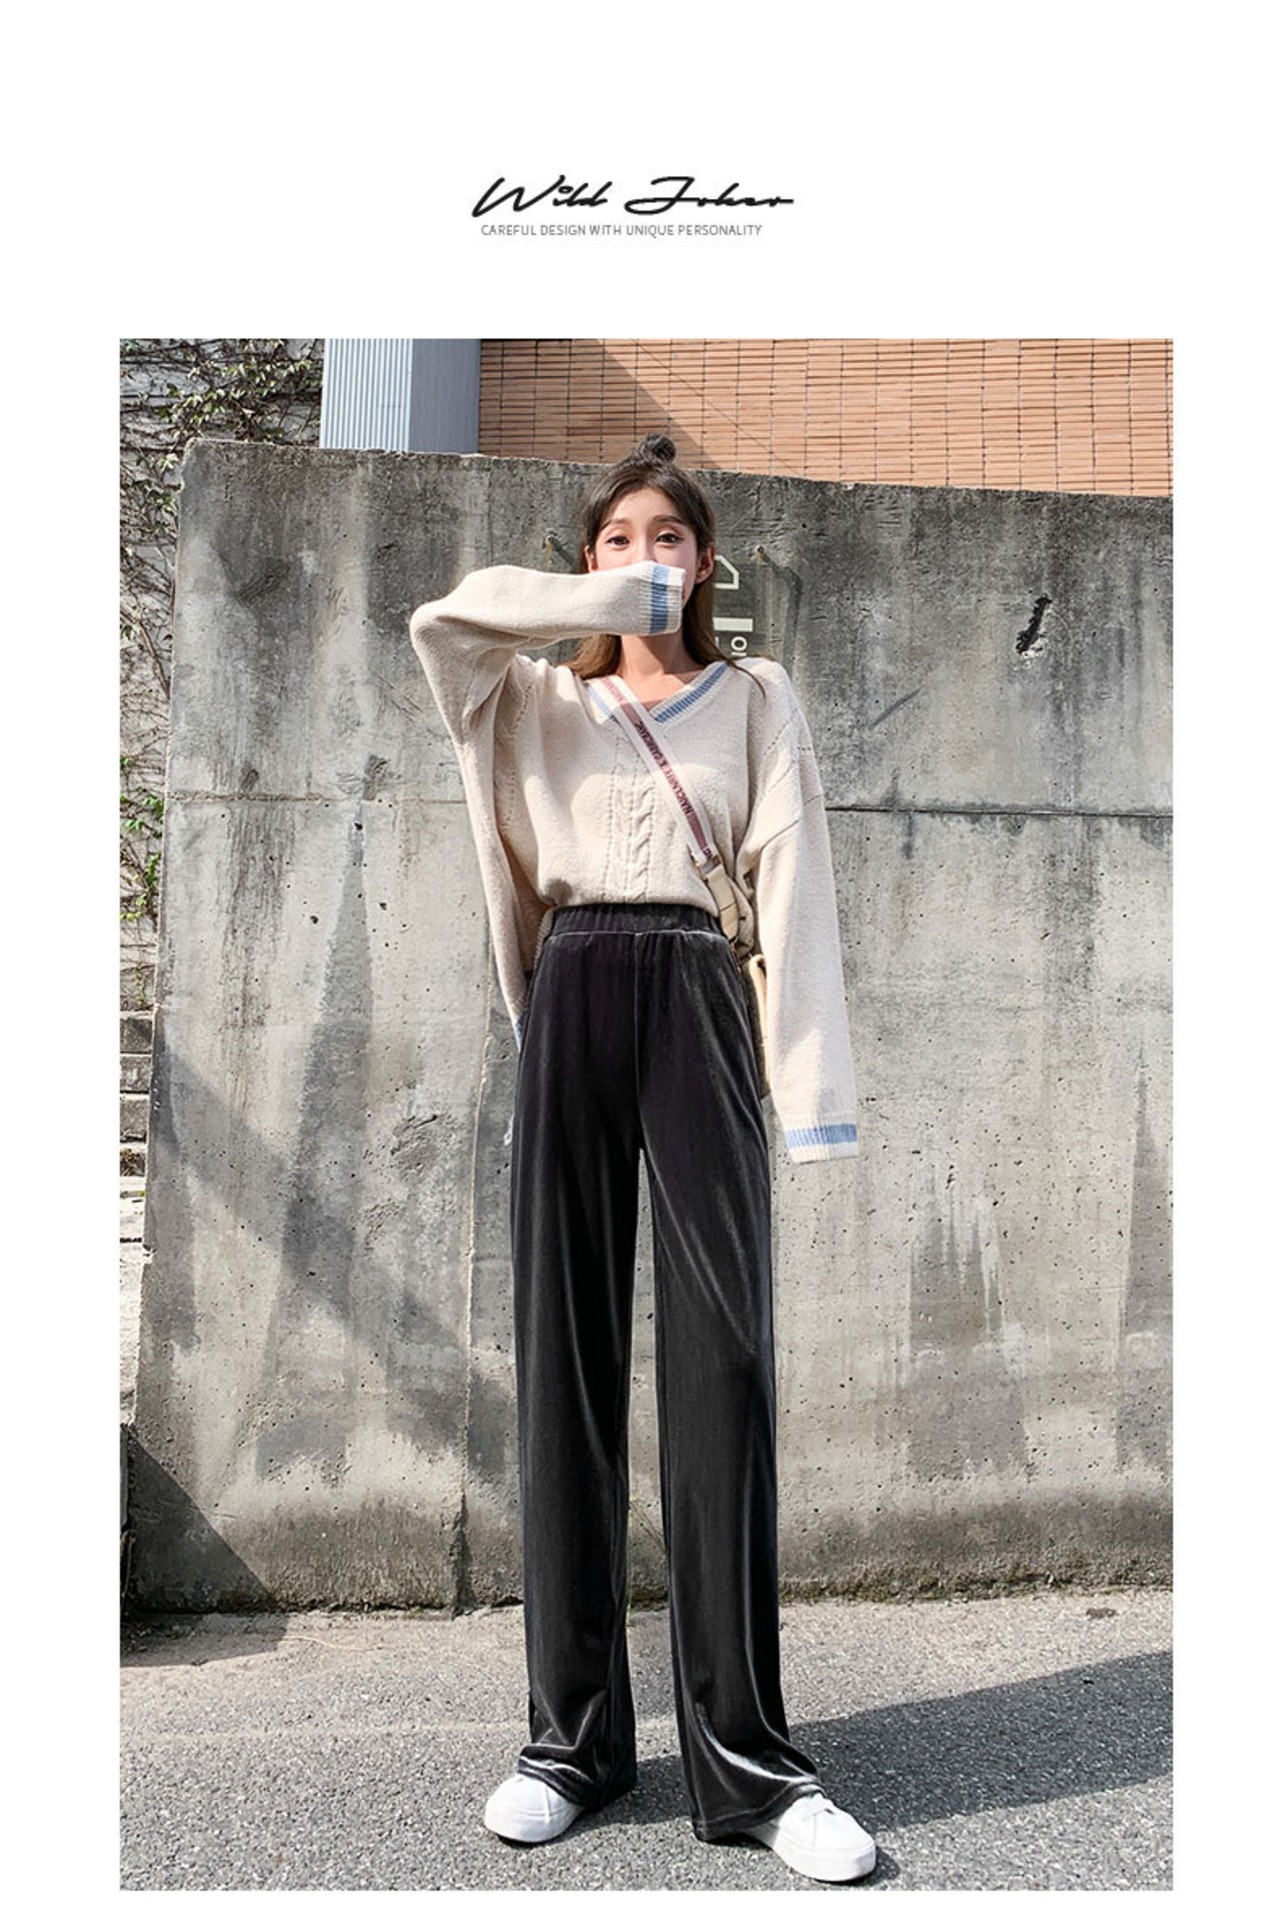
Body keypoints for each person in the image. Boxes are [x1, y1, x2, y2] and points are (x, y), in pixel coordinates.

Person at [408, 433, 874, 1884]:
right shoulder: (531, 692)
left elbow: (793, 882)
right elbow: (443, 623)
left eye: (669, 537)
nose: (645, 557)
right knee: (567, 1363)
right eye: (618, 537)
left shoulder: (759, 696)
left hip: (696, 987)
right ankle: (572, 1744)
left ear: (709, 561)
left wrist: (811, 1093)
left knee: (724, 1367)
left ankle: (753, 1764)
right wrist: (601, 609)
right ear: (588, 560)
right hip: (572, 988)